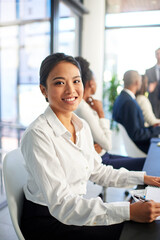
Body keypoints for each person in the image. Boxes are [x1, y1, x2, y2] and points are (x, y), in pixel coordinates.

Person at [20, 53, 160, 240]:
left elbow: (98, 171)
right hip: (49, 220)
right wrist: (128, 211)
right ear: (43, 90)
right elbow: (62, 205)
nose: (71, 90)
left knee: (142, 226)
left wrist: (144, 178)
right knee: (134, 231)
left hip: (73, 209)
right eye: (59, 83)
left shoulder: (81, 126)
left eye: (76, 81)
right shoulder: (38, 135)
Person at [75, 56, 145, 171]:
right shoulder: (82, 108)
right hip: (102, 160)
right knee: (148, 163)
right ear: (91, 83)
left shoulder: (86, 105)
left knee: (147, 162)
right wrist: (101, 113)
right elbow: (108, 145)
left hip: (103, 155)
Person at [113, 70, 160, 154]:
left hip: (137, 145)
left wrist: (153, 128)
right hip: (141, 147)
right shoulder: (129, 102)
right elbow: (137, 134)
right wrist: (157, 129)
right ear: (137, 82)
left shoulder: (121, 98)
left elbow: (136, 129)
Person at [145, 48, 160, 118]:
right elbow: (144, 87)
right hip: (153, 103)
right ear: (155, 55)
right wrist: (148, 88)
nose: (159, 56)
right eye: (157, 54)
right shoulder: (148, 71)